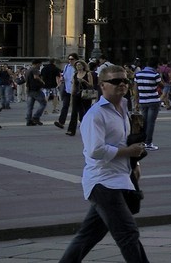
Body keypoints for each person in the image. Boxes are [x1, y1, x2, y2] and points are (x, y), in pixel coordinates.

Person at [57, 63, 149, 262]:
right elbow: (95, 150)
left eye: (125, 80)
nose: (122, 84)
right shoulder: (95, 115)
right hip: (102, 182)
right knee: (128, 234)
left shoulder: (124, 107)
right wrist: (128, 151)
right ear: (102, 85)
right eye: (115, 81)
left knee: (88, 236)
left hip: (119, 178)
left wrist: (135, 162)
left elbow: (122, 142)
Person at [133, 58, 162, 151]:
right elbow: (162, 85)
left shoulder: (138, 74)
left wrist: (136, 102)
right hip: (153, 100)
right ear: (156, 65)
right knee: (151, 123)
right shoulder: (155, 74)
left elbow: (135, 90)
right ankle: (148, 143)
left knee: (144, 122)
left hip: (142, 101)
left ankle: (142, 142)